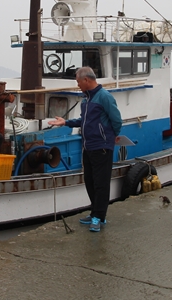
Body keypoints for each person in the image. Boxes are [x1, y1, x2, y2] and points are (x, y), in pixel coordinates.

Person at [48, 66, 122, 232]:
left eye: (78, 82)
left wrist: (109, 139)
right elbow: (83, 120)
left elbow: (117, 120)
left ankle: (99, 217)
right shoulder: (85, 100)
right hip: (88, 147)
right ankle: (94, 212)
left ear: (86, 80)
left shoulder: (104, 97)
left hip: (102, 147)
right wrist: (65, 122)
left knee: (101, 184)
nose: (77, 85)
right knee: (90, 181)